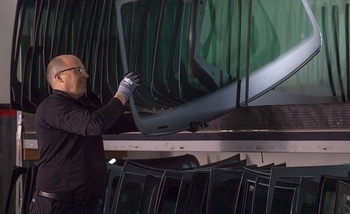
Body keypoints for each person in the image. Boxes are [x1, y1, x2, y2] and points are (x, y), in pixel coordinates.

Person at [29, 54, 140, 214]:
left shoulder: (80, 106)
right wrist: (121, 95)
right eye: (78, 70)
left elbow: (113, 123)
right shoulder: (52, 107)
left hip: (84, 206)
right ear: (59, 77)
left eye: (84, 70)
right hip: (57, 207)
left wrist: (159, 121)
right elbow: (95, 124)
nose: (85, 75)